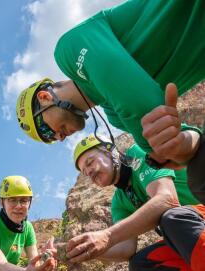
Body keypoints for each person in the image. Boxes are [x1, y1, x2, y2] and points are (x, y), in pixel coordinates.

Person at [15, 0, 204, 167]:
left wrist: (158, 151)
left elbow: (140, 101)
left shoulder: (67, 52)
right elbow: (186, 145)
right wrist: (174, 150)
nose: (59, 137)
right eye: (52, 140)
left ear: (45, 97)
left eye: (47, 131)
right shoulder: (116, 117)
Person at [67, 134, 205, 271]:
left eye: (90, 162)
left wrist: (107, 236)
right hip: (191, 236)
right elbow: (126, 249)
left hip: (198, 217)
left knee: (172, 218)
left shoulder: (137, 155)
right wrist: (88, 250)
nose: (90, 173)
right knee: (140, 266)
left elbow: (167, 200)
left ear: (110, 151)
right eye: (85, 172)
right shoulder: (119, 202)